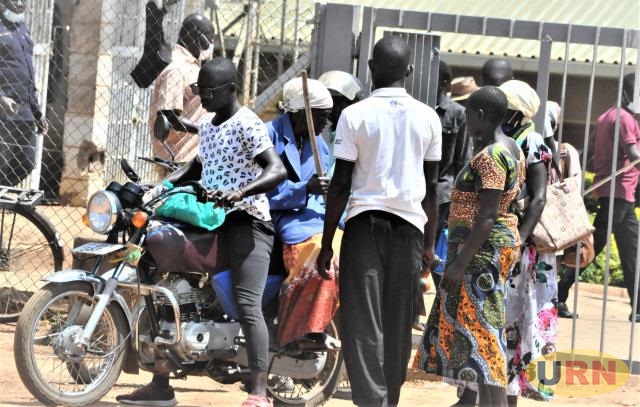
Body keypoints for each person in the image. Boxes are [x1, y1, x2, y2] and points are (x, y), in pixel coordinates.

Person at [117, 57, 287, 407]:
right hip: (208, 217)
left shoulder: (248, 124)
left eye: (207, 91)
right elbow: (194, 168)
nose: (202, 97)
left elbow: (277, 169)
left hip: (247, 221)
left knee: (247, 303)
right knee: (158, 275)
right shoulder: (208, 125)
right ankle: (160, 383)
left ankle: (258, 393)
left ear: (228, 90)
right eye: (199, 90)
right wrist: (158, 188)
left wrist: (240, 193)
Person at [317, 35, 442, 406]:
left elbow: (340, 184)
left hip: (364, 226)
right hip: (410, 230)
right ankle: (390, 398)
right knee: (399, 318)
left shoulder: (354, 115)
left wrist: (327, 242)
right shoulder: (428, 117)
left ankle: (371, 399)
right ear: (410, 71)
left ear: (370, 69)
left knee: (363, 318)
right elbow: (433, 188)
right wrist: (431, 244)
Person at [416, 86, 525, 407]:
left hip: (482, 254)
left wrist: (461, 262)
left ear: (480, 115)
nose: (465, 123)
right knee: (484, 332)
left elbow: (488, 215)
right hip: (491, 249)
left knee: (485, 333)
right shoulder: (512, 149)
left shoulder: (491, 155)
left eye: (467, 116)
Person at [558, 73, 640, 322]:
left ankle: (638, 308)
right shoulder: (625, 119)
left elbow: (588, 153)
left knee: (632, 251)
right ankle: (559, 293)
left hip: (615, 193)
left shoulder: (606, 116)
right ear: (629, 93)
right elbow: (633, 153)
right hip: (618, 192)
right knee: (592, 248)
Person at [265, 77, 340, 348]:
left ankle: (318, 322)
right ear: (301, 114)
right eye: (322, 116)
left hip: (314, 219)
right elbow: (263, 191)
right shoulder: (267, 136)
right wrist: (303, 189)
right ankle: (299, 329)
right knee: (321, 253)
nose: (326, 123)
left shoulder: (319, 145)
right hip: (282, 221)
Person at [148, 13, 215, 164]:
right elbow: (168, 117)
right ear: (197, 36)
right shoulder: (177, 69)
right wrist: (204, 130)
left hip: (191, 157)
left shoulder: (190, 66)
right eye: (210, 39)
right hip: (177, 159)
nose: (211, 44)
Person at [429, 60, 471, 290]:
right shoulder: (419, 108)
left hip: (442, 194)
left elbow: (463, 159)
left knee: (437, 250)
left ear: (444, 82)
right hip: (416, 190)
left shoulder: (457, 114)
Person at [0, 0, 48, 187]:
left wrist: (37, 112)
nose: (19, 3)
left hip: (25, 109)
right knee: (3, 163)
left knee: (27, 163)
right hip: (4, 110)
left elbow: (28, 73)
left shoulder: (22, 29)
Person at [317, 70, 365, 176]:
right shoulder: (329, 134)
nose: (334, 107)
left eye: (340, 103)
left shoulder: (357, 134)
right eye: (332, 102)